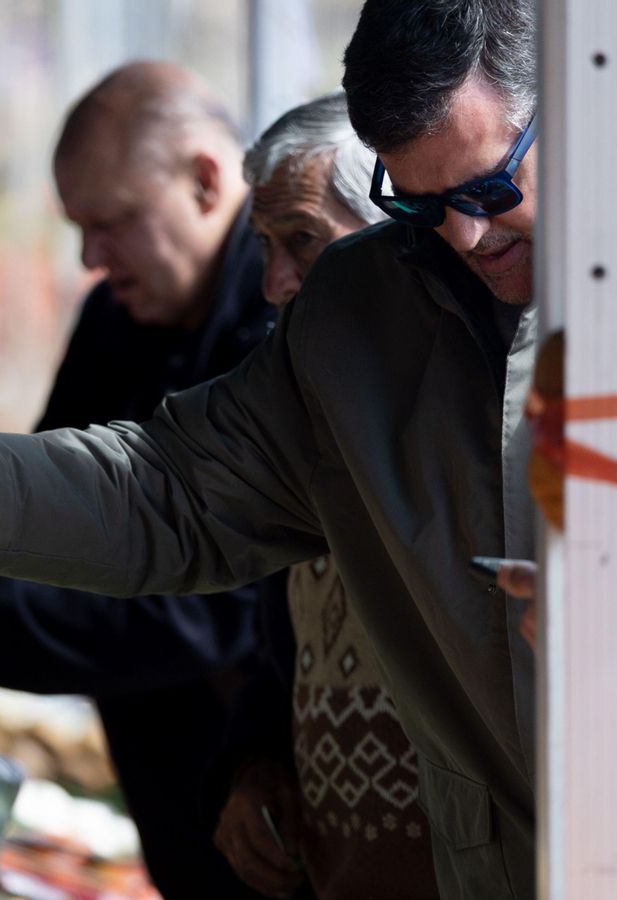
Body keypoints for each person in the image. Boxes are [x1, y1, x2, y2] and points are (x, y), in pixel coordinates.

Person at [0, 0, 542, 895]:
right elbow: (172, 488)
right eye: (416, 204)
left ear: (574, 114)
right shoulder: (357, 315)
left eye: (487, 191)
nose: (461, 236)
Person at [0, 61, 281, 899]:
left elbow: (207, 611)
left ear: (203, 179)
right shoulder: (121, 316)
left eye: (112, 222)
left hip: (266, 811)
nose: (90, 257)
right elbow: (50, 524)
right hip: (175, 799)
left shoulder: (280, 323)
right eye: (77, 227)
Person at [209, 92, 438, 900]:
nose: (274, 284)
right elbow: (279, 653)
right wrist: (257, 763)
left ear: (393, 231)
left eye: (301, 242)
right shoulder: (302, 418)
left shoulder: (478, 424)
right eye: (266, 247)